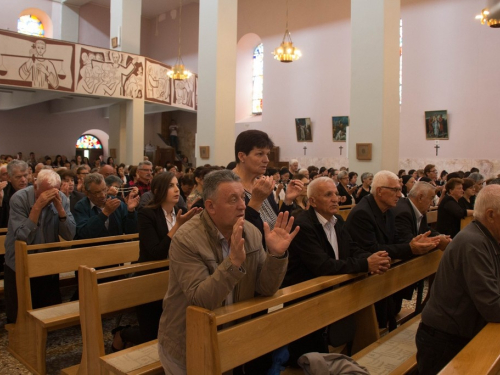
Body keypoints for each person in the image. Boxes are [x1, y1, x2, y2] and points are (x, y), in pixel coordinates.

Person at [157, 170, 298, 374]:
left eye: (242, 197)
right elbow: (200, 300)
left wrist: (276, 256)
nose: (242, 205)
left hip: (232, 336)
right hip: (188, 342)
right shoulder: (187, 239)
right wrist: (233, 264)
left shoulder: (251, 232)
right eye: (233, 200)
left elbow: (266, 288)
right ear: (210, 206)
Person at [283, 177, 391, 361]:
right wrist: (366, 264)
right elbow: (323, 265)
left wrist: (372, 259)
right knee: (309, 357)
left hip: (330, 293)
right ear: (313, 201)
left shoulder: (337, 221)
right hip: (306, 300)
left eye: (336, 194)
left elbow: (352, 248)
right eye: (328, 194)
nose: (335, 198)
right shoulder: (303, 225)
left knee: (331, 347)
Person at [416, 184, 500, 374]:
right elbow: (492, 306)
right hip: (444, 340)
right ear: (491, 214)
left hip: (457, 332)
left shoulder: (486, 238)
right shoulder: (474, 244)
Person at [113, 172, 202, 350]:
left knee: (173, 330)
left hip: (173, 276)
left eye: (177, 185)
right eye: (171, 186)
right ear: (157, 190)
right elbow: (156, 252)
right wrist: (178, 226)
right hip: (149, 277)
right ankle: (123, 333)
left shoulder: (179, 212)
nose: (177, 189)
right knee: (151, 335)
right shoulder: (147, 214)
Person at [344, 170, 440, 329]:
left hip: (381, 272)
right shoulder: (363, 213)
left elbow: (394, 239)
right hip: (363, 277)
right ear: (380, 191)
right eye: (395, 190)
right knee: (375, 322)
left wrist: (413, 243)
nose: (399, 194)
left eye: (399, 189)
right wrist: (410, 248)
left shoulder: (386, 210)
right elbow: (373, 249)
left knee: (388, 315)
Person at [4, 169, 76, 323]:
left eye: (53, 193)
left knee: (47, 314)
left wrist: (61, 210)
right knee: (19, 315)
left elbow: (70, 234)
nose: (48, 197)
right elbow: (22, 236)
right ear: (35, 185)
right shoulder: (20, 198)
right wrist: (37, 207)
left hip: (47, 262)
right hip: (19, 263)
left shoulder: (62, 198)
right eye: (44, 192)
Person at [232, 130, 303, 236]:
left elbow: (276, 224)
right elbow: (239, 232)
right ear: (242, 156)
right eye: (260, 154)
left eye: (267, 154)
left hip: (273, 250)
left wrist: (288, 201)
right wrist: (255, 201)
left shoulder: (262, 183)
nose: (266, 160)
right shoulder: (228, 185)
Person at [73, 173, 139, 239]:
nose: (103, 195)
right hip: (92, 247)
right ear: (87, 193)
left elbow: (131, 231)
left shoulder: (116, 203)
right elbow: (84, 233)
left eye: (104, 190)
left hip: (116, 246)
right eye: (97, 192)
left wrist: (131, 211)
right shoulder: (81, 206)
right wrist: (105, 213)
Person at [0, 160, 30, 227]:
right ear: (9, 178)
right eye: (18, 177)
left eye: (25, 175)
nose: (23, 180)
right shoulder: (3, 192)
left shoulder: (34, 189)